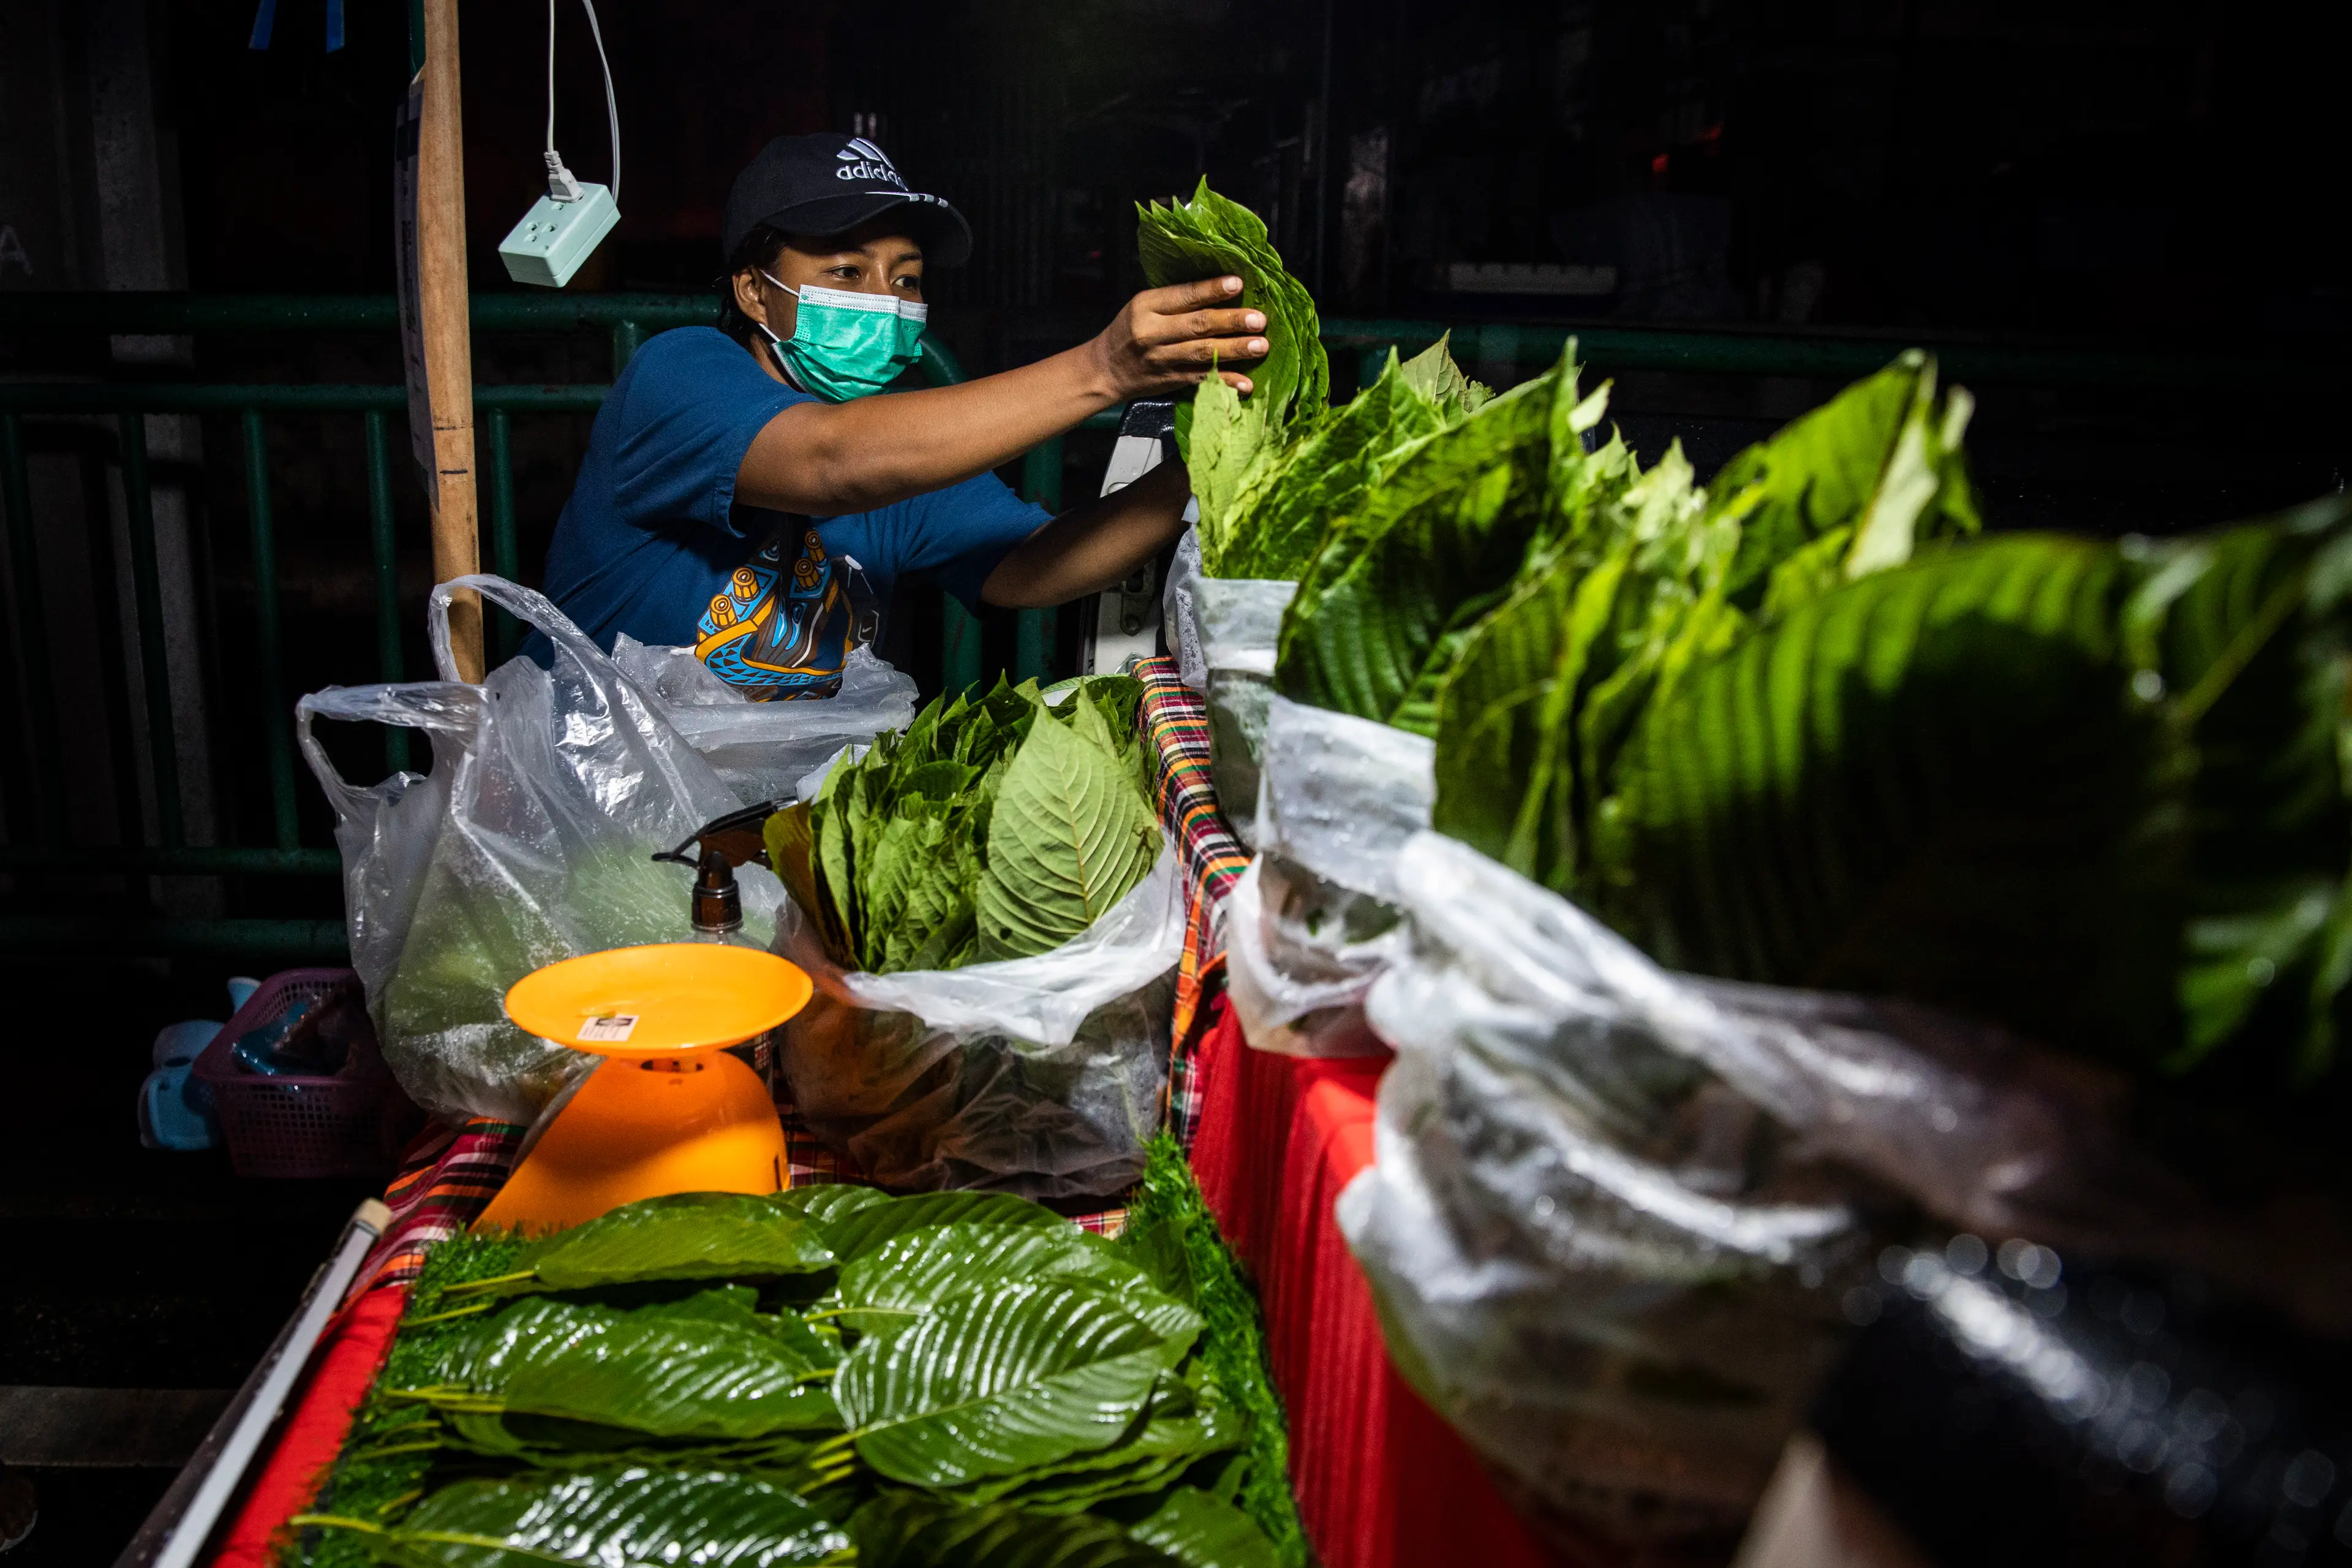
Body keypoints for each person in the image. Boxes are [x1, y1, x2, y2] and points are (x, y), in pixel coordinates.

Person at [535, 132, 1267, 698]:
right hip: (594, 800)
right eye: (846, 272)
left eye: (907, 278)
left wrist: (1194, 475)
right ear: (755, 294)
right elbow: (829, 463)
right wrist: (1103, 369)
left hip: (770, 808)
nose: (885, 299)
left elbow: (1028, 567)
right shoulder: (679, 374)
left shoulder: (899, 444)